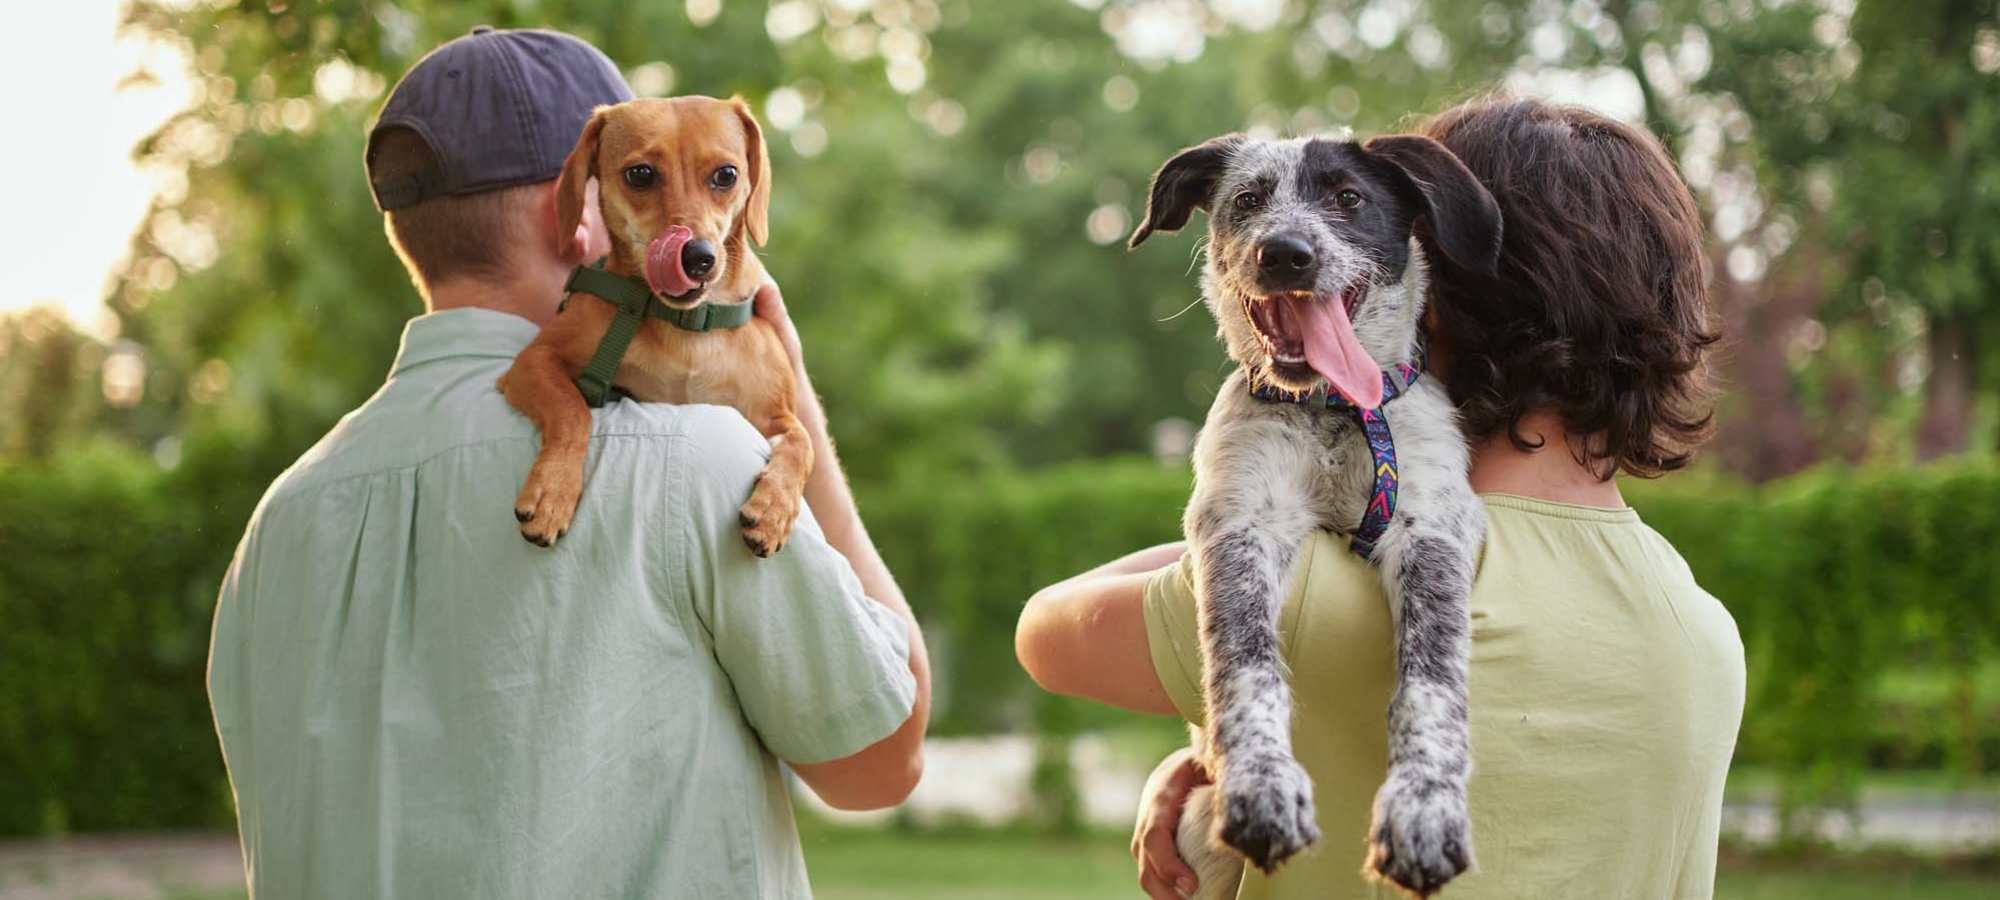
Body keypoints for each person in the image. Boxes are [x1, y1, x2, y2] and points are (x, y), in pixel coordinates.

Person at [206, 28, 930, 899]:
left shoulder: (276, 525)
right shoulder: (699, 464)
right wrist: (795, 406)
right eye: (644, 175)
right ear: (583, 213)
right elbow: (884, 759)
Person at [1015, 97, 1745, 899]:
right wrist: (1208, 759)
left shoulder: (1310, 600)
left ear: (1440, 284)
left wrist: (1209, 746)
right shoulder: (1702, 630)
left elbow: (1048, 631)